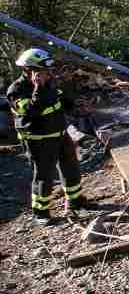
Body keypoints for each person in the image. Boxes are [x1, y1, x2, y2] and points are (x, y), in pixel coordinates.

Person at [6, 48, 90, 225]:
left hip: (59, 134)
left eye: (48, 71)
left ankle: (75, 200)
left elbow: (59, 100)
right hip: (38, 140)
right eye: (43, 71)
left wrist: (74, 105)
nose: (48, 74)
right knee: (44, 176)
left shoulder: (49, 82)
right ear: (29, 70)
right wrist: (38, 88)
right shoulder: (16, 90)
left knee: (70, 167)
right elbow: (31, 110)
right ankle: (41, 213)